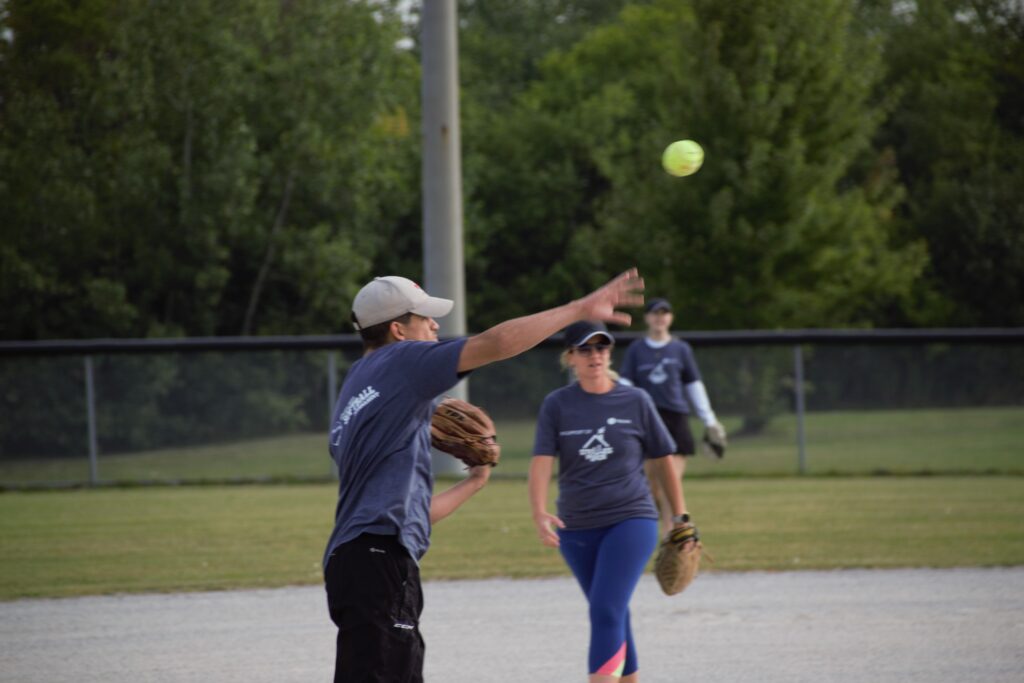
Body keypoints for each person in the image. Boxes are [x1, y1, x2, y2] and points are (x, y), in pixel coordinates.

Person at [323, 270, 644, 683]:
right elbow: (493, 344)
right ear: (399, 330)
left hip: (354, 562)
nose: (435, 325)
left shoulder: (355, 386)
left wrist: (473, 482)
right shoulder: (403, 361)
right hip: (379, 562)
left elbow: (405, 512)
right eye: (424, 317)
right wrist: (577, 310)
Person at [529, 320, 693, 683]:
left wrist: (680, 516)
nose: (595, 355)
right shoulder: (557, 405)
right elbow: (541, 462)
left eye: (601, 348)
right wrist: (539, 512)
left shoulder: (635, 400)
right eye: (585, 349)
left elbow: (665, 458)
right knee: (611, 611)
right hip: (575, 527)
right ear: (570, 357)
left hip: (631, 518)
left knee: (605, 608)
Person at [619, 297, 726, 535]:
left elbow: (693, 385)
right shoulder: (637, 349)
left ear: (670, 318)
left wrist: (709, 420)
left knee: (672, 482)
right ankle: (655, 519)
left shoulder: (680, 349)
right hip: (646, 418)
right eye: (655, 313)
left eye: (664, 313)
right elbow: (626, 383)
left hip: (676, 418)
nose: (660, 317)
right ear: (647, 318)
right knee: (651, 485)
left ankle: (670, 537)